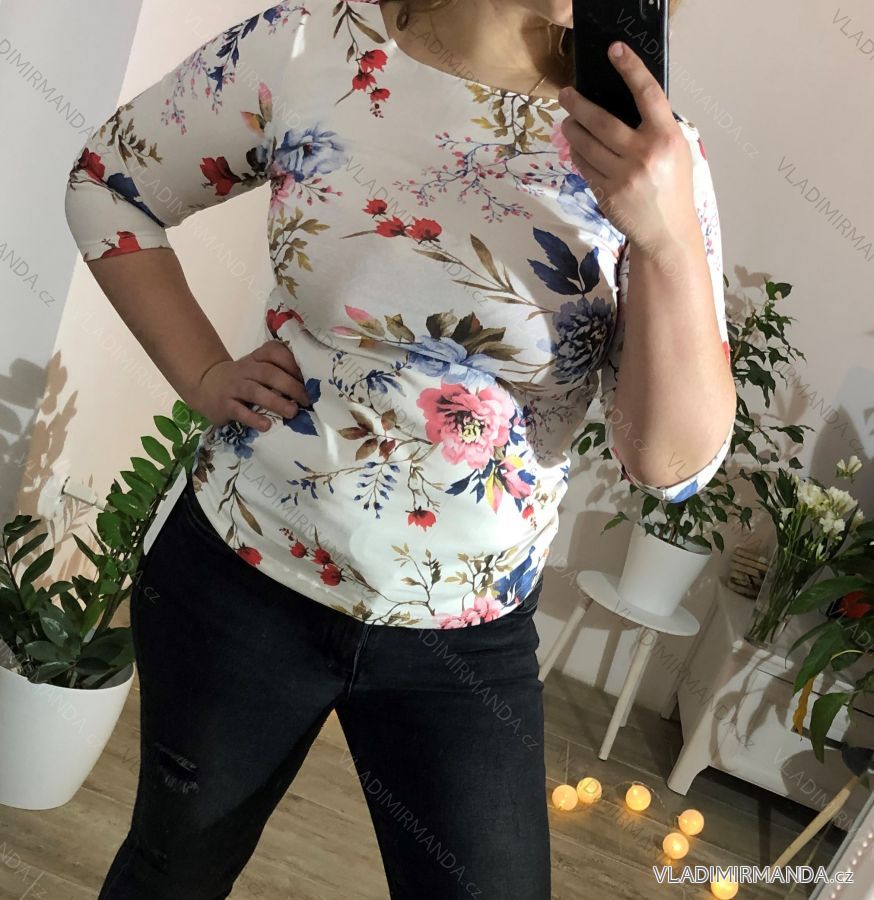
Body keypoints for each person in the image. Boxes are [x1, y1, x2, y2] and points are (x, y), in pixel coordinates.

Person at [63, 1, 737, 897]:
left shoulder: (652, 153)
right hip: (245, 578)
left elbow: (672, 465)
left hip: (467, 636)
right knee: (170, 872)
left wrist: (666, 236)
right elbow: (108, 182)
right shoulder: (314, 42)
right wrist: (203, 373)